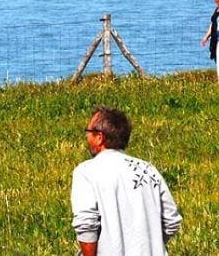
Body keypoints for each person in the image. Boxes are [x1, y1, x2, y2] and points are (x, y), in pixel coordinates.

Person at [71, 105, 182, 255]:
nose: (86, 136)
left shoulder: (86, 172)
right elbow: (171, 221)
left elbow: (87, 225)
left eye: (88, 132)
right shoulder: (148, 170)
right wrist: (148, 245)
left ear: (99, 137)